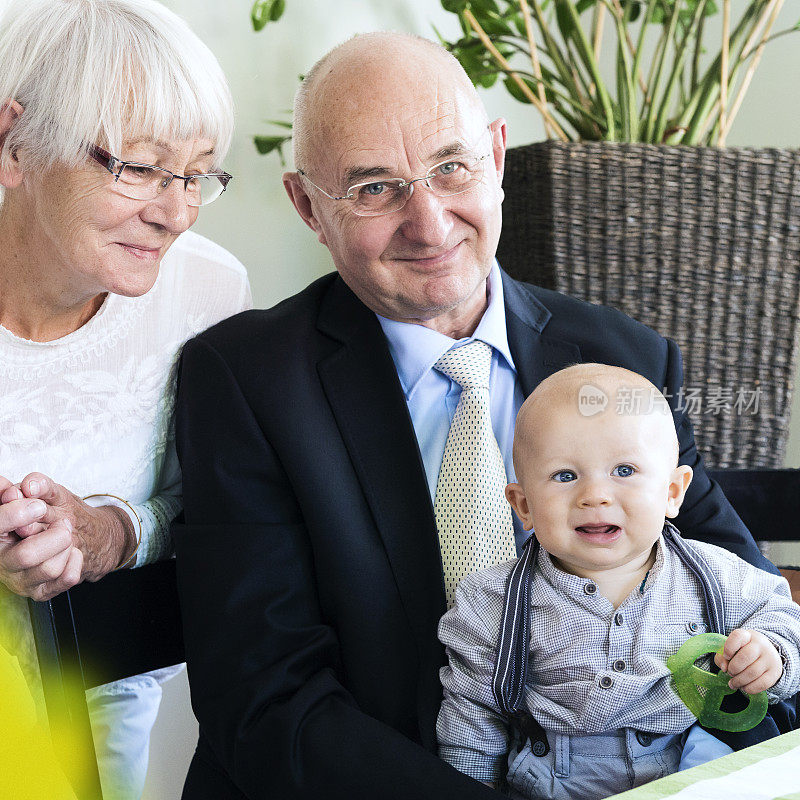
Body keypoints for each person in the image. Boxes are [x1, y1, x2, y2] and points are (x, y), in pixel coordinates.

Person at [173, 32, 795, 800]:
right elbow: (264, 696)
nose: (429, 224)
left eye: (450, 167)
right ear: (308, 205)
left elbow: (745, 613)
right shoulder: (245, 379)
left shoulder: (622, 358)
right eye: (375, 188)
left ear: (496, 157)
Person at [0, 1, 250, 797]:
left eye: (198, 173)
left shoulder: (208, 290)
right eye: (139, 167)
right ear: (14, 144)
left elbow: (228, 510)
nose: (175, 211)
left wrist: (105, 530)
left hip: (101, 725)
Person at [437, 363, 800, 800]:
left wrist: (772, 655)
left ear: (672, 492)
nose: (595, 495)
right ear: (524, 505)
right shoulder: (491, 603)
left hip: (690, 773)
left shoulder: (716, 575)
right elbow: (471, 722)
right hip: (552, 783)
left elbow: (783, 616)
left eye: (624, 471)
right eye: (565, 476)